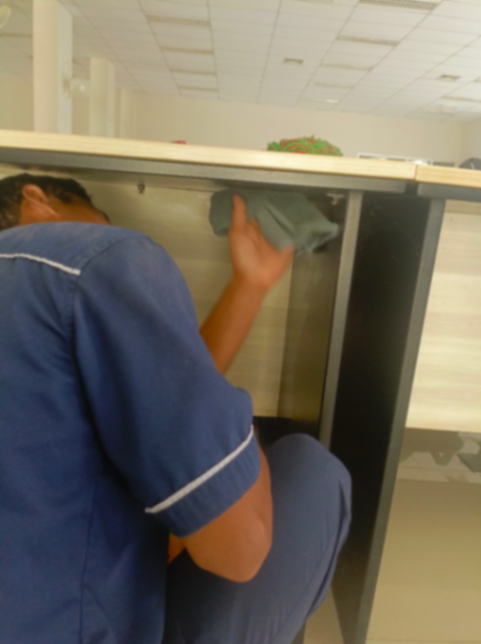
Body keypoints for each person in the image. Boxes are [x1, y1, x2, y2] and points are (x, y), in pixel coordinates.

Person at [0, 173, 351, 644]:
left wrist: (248, 286)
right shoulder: (90, 255)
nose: (108, 231)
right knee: (313, 472)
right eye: (103, 219)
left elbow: (157, 393)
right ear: (37, 200)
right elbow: (239, 548)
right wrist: (232, 437)